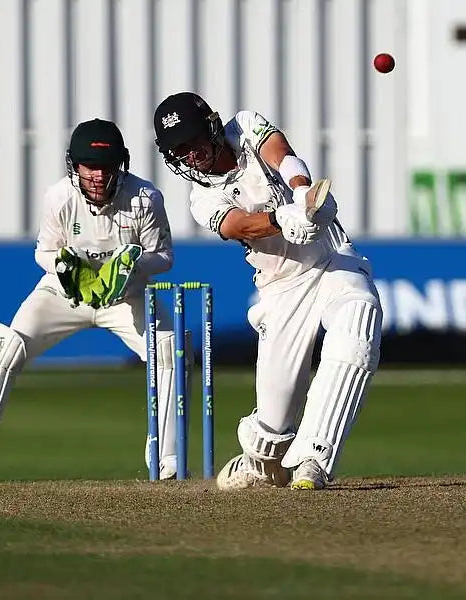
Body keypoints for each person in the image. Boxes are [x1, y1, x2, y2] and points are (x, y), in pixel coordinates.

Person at [152, 92, 382, 491]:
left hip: (332, 261)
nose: (191, 157)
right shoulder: (200, 197)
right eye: (180, 151)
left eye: (194, 143)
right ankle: (258, 462)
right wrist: (281, 219)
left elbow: (282, 154)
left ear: (211, 126)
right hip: (281, 290)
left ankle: (314, 459)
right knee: (272, 429)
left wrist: (302, 195)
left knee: (359, 317)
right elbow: (238, 226)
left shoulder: (242, 126)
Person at [0, 119, 179, 482]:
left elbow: (163, 257)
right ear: (75, 166)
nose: (97, 176)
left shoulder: (145, 198)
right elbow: (44, 252)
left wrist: (131, 263)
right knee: (5, 346)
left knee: (169, 350)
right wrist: (67, 265)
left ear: (120, 165)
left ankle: (167, 460)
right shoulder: (60, 197)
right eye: (89, 167)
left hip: (125, 296)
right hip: (64, 292)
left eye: (104, 167)